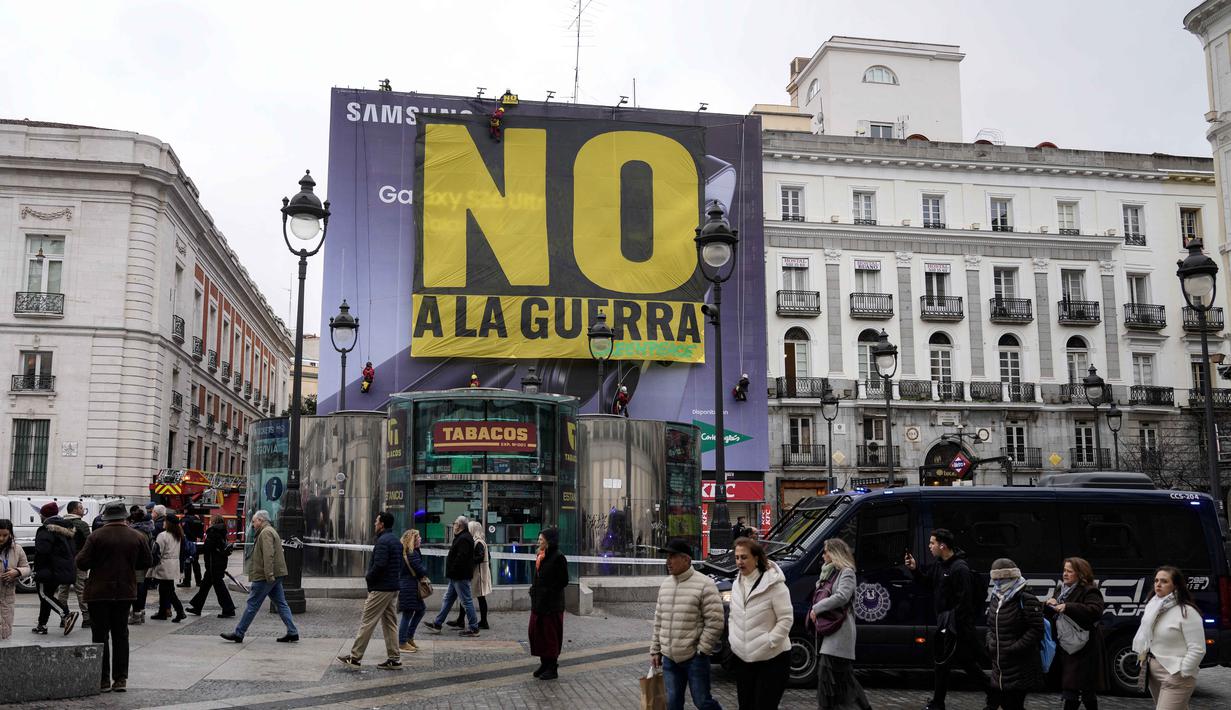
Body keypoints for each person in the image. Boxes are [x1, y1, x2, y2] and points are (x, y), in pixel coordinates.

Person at [905, 528, 993, 710]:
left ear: (942, 545)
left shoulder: (959, 568)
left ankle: (940, 703)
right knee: (959, 663)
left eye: (932, 543)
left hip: (956, 626)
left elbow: (965, 601)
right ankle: (992, 694)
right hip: (946, 624)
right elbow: (928, 584)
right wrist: (915, 570)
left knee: (950, 664)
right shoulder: (939, 565)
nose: (929, 546)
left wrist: (953, 625)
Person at [75, 501, 152, 693]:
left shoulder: (96, 536)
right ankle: (120, 680)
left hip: (99, 593)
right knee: (121, 634)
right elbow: (147, 561)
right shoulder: (137, 536)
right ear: (125, 517)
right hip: (125, 591)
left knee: (99, 635)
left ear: (106, 518)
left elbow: (82, 563)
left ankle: (102, 680)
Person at [650, 538, 724, 710]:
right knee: (673, 703)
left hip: (694, 658)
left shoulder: (705, 584)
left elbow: (715, 621)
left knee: (703, 702)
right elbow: (659, 619)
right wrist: (655, 649)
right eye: (667, 556)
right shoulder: (666, 585)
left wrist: (702, 649)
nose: (668, 561)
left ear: (686, 559)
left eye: (672, 556)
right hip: (669, 658)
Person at [727, 536, 792, 710]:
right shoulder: (736, 584)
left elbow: (786, 619)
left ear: (756, 558)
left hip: (773, 658)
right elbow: (733, 616)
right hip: (744, 658)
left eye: (744, 557)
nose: (740, 562)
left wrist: (770, 641)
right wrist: (734, 640)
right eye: (737, 557)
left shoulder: (774, 584)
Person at [810, 538, 872, 710]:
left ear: (834, 553)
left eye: (825, 551)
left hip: (840, 632)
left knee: (834, 680)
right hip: (828, 632)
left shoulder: (847, 572)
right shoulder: (828, 573)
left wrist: (817, 608)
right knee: (843, 682)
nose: (823, 555)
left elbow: (842, 596)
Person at [1132, 566, 1206, 708]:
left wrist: (1183, 672)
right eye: (1156, 580)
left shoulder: (1187, 612)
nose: (1158, 584)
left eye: (1164, 581)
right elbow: (1148, 637)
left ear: (1175, 585)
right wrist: (1143, 658)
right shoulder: (1152, 607)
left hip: (1176, 674)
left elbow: (1198, 648)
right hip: (1153, 672)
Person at [337, 511, 404, 670]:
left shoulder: (382, 542)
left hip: (381, 588)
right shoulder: (395, 540)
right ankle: (394, 658)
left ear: (381, 524)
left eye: (376, 521)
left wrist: (369, 577)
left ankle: (355, 657)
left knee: (367, 621)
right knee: (390, 623)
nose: (374, 524)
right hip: (392, 586)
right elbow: (398, 564)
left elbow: (379, 565)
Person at [221, 510, 299, 643]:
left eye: (254, 521)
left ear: (261, 520)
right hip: (274, 575)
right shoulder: (269, 530)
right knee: (281, 604)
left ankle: (239, 633)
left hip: (265, 576)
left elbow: (268, 555)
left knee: (252, 604)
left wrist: (269, 575)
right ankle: (292, 632)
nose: (253, 524)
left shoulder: (266, 532)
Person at [1043, 557, 1106, 710]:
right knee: (1080, 689)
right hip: (1066, 644)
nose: (1065, 574)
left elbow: (1095, 611)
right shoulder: (1061, 590)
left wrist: (1068, 606)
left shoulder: (1090, 590)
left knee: (1076, 688)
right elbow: (1054, 614)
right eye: (1064, 570)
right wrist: (1048, 605)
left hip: (1084, 646)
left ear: (1080, 573)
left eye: (1069, 571)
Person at [985, 558, 1044, 710]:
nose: (998, 583)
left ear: (1011, 577)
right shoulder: (996, 597)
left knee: (1013, 706)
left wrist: (1014, 647)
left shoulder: (1026, 598)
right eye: (995, 579)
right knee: (995, 705)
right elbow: (990, 626)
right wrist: (991, 641)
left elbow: (1036, 630)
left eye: (1001, 579)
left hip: (1019, 666)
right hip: (999, 666)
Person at [423, 516, 480, 637]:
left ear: (459, 526)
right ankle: (437, 623)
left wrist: (453, 569)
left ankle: (474, 628)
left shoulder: (464, 538)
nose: (453, 525)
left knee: (466, 601)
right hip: (456, 576)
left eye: (454, 523)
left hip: (460, 576)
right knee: (448, 599)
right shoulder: (462, 537)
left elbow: (461, 557)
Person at [528, 527, 569, 680]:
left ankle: (552, 667)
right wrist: (534, 591)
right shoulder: (541, 556)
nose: (539, 541)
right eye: (539, 539)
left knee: (550, 636)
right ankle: (544, 663)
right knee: (538, 634)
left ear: (549, 541)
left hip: (551, 605)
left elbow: (563, 580)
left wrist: (548, 592)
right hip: (539, 603)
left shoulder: (558, 557)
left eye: (541, 539)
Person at [33, 501, 79, 635]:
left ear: (44, 516)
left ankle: (66, 614)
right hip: (60, 569)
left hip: (47, 569)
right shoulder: (65, 529)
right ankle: (42, 625)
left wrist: (37, 570)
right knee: (47, 596)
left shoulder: (45, 529)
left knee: (44, 595)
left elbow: (42, 551)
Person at [187, 514, 236, 618]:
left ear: (214, 522)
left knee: (219, 587)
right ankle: (197, 606)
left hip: (213, 564)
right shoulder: (222, 531)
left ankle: (228, 609)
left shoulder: (213, 532)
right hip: (219, 562)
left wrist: (194, 549)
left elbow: (208, 547)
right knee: (205, 585)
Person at [57, 500, 92, 628]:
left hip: (64, 561)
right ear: (75, 510)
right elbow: (89, 544)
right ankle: (87, 618)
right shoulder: (81, 524)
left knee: (63, 589)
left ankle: (63, 616)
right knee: (81, 589)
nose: (83, 510)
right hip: (78, 561)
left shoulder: (60, 523)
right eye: (81, 508)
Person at [451, 520, 491, 629]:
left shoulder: (478, 542)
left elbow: (480, 557)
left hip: (478, 574)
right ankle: (463, 620)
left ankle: (481, 621)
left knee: (469, 597)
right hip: (479, 573)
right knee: (471, 596)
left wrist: (469, 560)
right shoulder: (480, 541)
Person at [149, 514, 187, 622]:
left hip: (164, 565)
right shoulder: (179, 535)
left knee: (169, 591)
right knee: (165, 589)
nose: (163, 523)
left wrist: (153, 564)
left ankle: (180, 611)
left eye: (165, 521)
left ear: (168, 523)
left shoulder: (163, 535)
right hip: (174, 564)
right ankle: (162, 612)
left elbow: (157, 551)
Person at [396, 528, 428, 654]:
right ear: (412, 540)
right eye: (418, 537)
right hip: (409, 587)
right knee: (407, 614)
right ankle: (402, 642)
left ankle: (409, 637)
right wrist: (425, 571)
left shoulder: (408, 552)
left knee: (421, 610)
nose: (420, 539)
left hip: (409, 586)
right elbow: (420, 570)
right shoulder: (411, 553)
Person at [0, 519, 31, 640]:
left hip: (7, 595)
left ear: (11, 534)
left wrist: (17, 572)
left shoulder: (17, 549)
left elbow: (27, 568)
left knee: (5, 631)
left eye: (5, 535)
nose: (1, 539)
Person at [127, 505, 156, 624]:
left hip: (136, 564)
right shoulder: (148, 531)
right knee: (142, 588)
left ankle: (136, 614)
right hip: (145, 563)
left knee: (136, 589)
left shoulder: (135, 532)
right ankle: (141, 611)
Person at [178, 508, 204, 588]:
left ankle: (187, 581)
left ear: (186, 510)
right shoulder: (197, 519)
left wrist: (192, 538)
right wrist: (198, 538)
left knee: (187, 562)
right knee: (195, 562)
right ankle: (199, 581)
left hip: (188, 544)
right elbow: (202, 531)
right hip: (196, 544)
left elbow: (186, 531)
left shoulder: (185, 520)